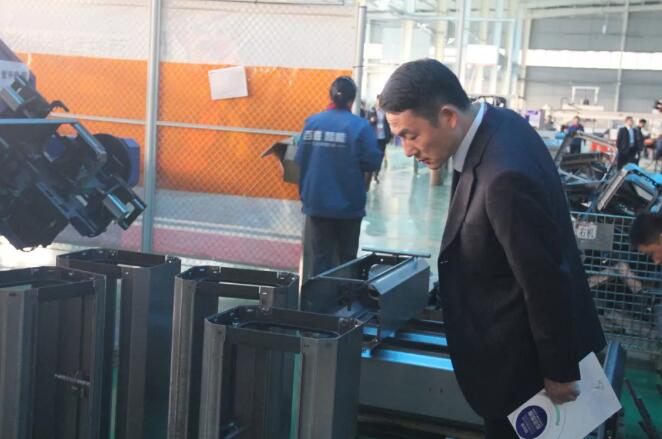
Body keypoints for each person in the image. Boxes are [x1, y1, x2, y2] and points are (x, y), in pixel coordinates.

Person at [379, 59, 605, 439]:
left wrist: (560, 369)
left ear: (448, 116)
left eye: (411, 135)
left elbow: (544, 277)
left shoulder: (504, 177)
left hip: (529, 374)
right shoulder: (500, 124)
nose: (407, 150)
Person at [295, 76, 383, 276]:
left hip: (317, 203)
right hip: (347, 205)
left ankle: (318, 294)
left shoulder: (312, 123)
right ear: (352, 100)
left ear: (330, 96)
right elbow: (372, 161)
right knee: (346, 259)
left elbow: (301, 158)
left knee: (320, 258)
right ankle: (345, 294)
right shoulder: (360, 127)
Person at [367, 95, 393, 183]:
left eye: (381, 101)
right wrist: (371, 120)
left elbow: (389, 124)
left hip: (383, 138)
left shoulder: (386, 112)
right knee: (372, 156)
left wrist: (390, 136)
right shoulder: (372, 111)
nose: (379, 103)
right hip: (373, 137)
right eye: (378, 101)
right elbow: (366, 122)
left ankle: (376, 175)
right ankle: (370, 174)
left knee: (380, 157)